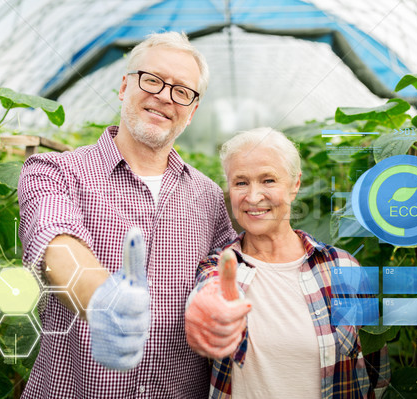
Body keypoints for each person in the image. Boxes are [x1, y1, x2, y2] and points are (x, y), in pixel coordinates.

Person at [17, 31, 249, 398]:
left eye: (182, 91)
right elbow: (55, 239)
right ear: (125, 85)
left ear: (192, 111)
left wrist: (214, 302)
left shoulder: (206, 195)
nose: (163, 97)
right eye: (152, 80)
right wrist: (101, 298)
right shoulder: (55, 171)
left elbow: (223, 272)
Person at [185, 127, 390, 398]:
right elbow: (207, 295)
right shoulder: (218, 268)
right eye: (240, 182)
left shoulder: (344, 268)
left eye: (268, 180)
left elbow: (376, 374)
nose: (253, 196)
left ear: (295, 185)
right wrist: (208, 310)